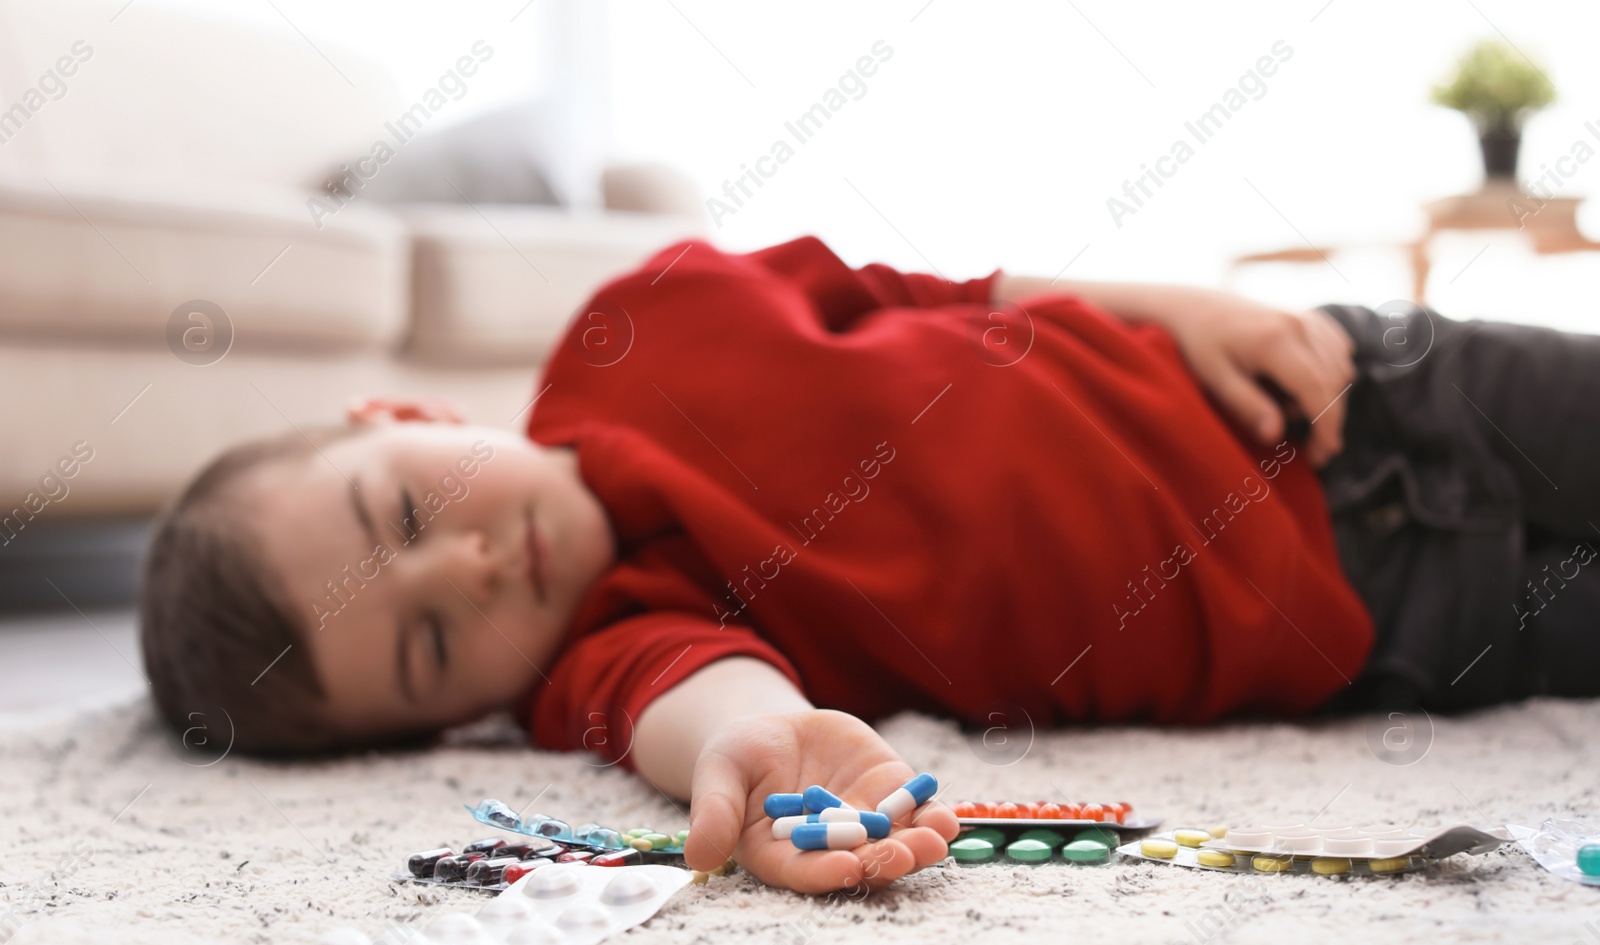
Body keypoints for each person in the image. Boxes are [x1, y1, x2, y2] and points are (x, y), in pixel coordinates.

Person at [139, 236, 1600, 894]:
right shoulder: (609, 651)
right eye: (431, 646)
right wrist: (760, 754)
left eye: (408, 512)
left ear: (404, 415)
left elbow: (934, 292)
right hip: (1379, 619)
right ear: (447, 720)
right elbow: (704, 702)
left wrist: (1175, 299)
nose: (472, 566)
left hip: (1341, 394)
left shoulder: (631, 324)